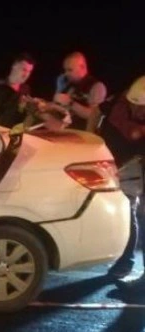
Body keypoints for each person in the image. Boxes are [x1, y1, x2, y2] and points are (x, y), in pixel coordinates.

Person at [85, 76, 145, 287]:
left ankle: (126, 264)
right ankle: (123, 261)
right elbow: (96, 111)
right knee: (123, 213)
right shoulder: (119, 101)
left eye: (141, 108)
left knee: (131, 213)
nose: (137, 111)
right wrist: (89, 137)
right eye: (134, 106)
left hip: (134, 166)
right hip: (113, 162)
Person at [52, 52, 107, 130]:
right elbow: (61, 109)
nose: (66, 74)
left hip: (80, 133)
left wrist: (71, 103)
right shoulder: (69, 85)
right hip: (64, 130)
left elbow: (94, 115)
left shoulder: (97, 86)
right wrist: (46, 105)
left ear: (82, 67)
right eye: (65, 70)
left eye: (70, 70)